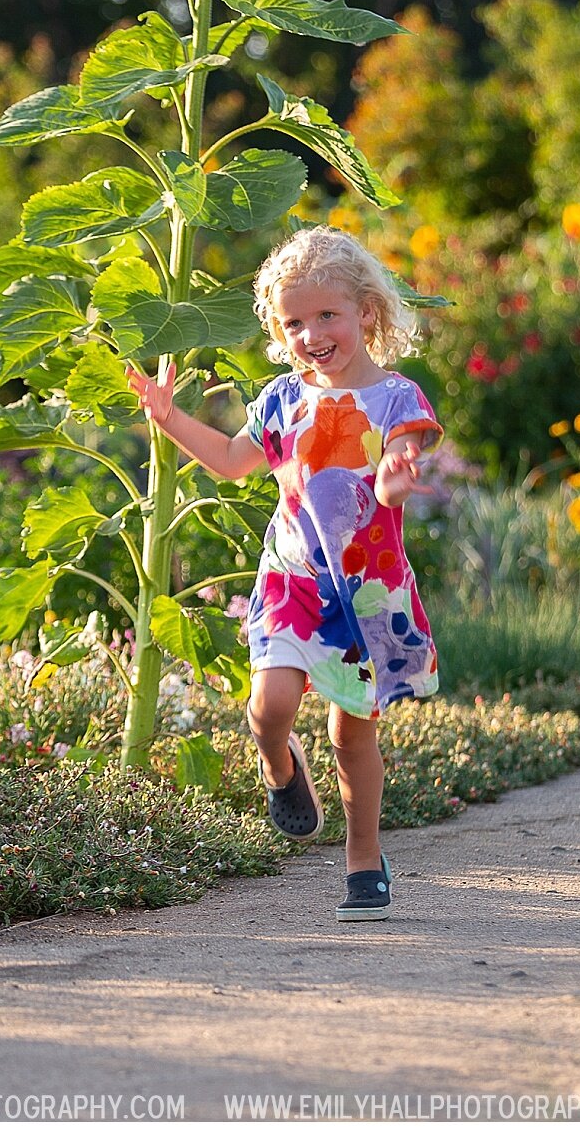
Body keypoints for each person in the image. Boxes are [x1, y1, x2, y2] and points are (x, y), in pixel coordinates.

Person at [125, 225, 443, 921]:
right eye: (294, 322)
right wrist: (169, 415)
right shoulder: (280, 401)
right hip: (292, 580)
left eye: (327, 314)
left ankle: (365, 858)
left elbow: (390, 490)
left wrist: (392, 476)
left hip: (363, 590)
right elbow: (235, 461)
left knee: (352, 735)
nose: (312, 334)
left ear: (365, 310)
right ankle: (279, 764)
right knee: (269, 707)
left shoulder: (397, 399)